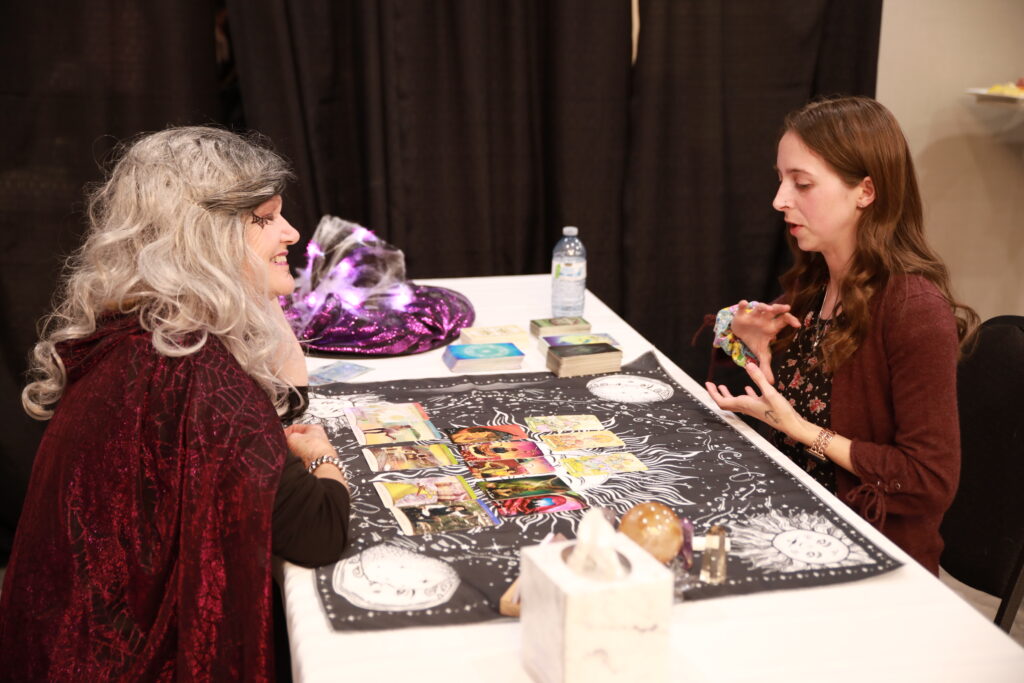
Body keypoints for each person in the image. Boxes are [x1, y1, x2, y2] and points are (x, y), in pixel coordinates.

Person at [0, 127, 352, 680]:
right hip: (129, 662)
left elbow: (277, 407)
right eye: (266, 218)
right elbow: (319, 529)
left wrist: (258, 291)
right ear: (203, 236)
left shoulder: (142, 330)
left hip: (66, 641)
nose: (291, 232)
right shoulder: (198, 374)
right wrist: (323, 459)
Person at [705, 97, 977, 575]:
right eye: (781, 179)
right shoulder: (817, 282)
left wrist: (802, 431)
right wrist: (736, 334)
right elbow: (745, 382)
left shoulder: (913, 309)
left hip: (868, 550)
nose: (779, 200)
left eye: (802, 183)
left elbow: (928, 480)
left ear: (865, 191)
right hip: (790, 518)